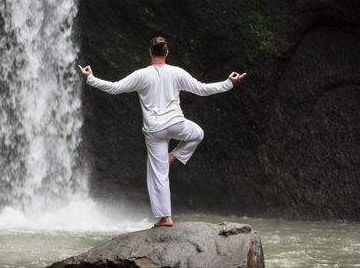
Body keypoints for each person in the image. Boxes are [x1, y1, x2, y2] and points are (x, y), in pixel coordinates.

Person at [78, 37, 246, 227]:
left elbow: (114, 88)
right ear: (167, 53)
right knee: (198, 133)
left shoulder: (141, 75)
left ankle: (166, 218)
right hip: (176, 123)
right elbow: (202, 89)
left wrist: (89, 78)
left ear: (150, 52)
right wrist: (229, 83)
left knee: (158, 173)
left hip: (154, 130)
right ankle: (174, 156)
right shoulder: (176, 72)